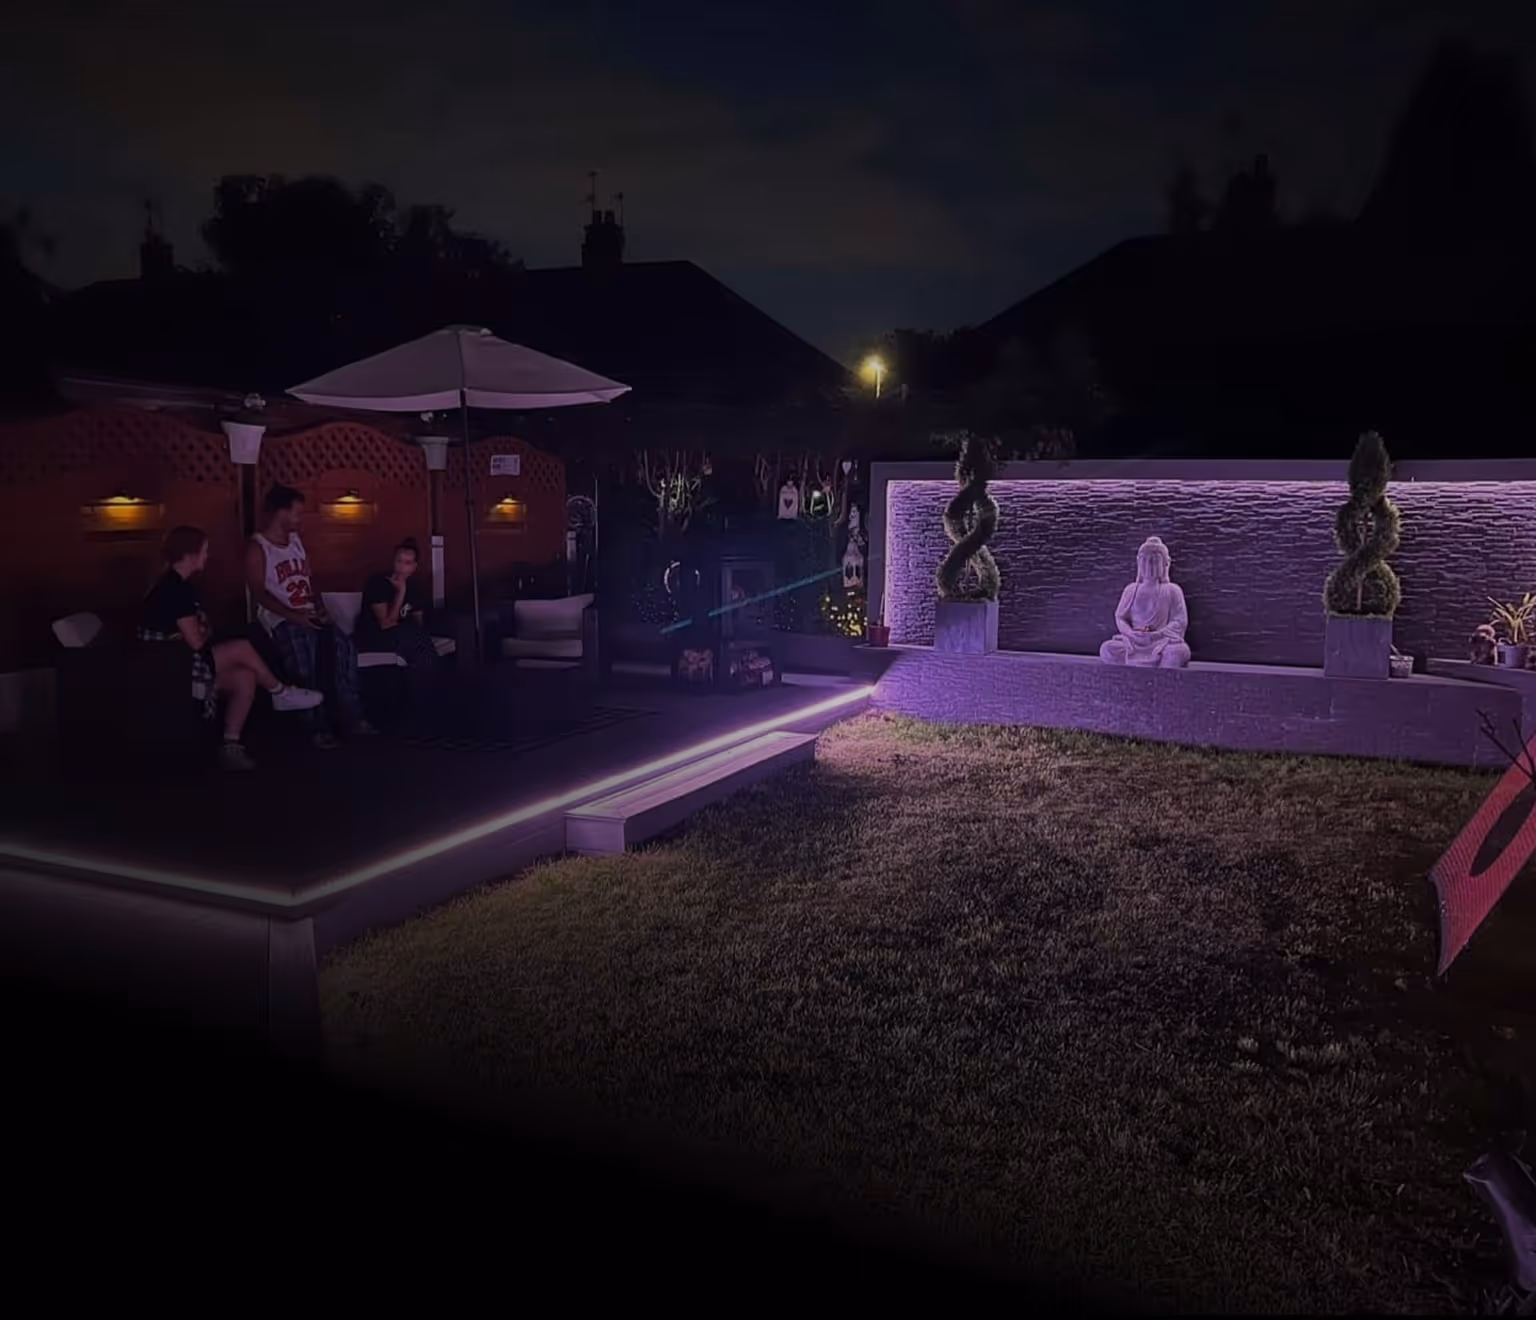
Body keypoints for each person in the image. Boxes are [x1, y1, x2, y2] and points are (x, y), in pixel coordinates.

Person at [140, 525, 323, 771]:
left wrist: (204, 629)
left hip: (181, 659)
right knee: (241, 647)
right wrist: (203, 630)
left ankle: (230, 745)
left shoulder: (182, 586)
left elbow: (203, 630)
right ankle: (280, 692)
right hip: (172, 668)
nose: (207, 556)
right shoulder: (175, 589)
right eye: (204, 551)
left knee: (245, 677)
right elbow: (196, 640)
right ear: (191, 554)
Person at [247, 484, 376, 749]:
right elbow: (259, 594)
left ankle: (353, 716)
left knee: (345, 650)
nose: (299, 518)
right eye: (296, 513)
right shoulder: (257, 547)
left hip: (309, 614)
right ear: (280, 512)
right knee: (303, 664)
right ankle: (316, 728)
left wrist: (319, 606)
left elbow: (308, 580)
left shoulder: (295, 541)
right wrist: (294, 616)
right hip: (282, 619)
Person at [356, 538, 443, 669]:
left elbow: (418, 623)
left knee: (419, 639)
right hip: (374, 636)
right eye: (399, 561)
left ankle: (430, 682)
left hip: (403, 636)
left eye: (407, 563)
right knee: (413, 638)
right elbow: (386, 624)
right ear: (393, 562)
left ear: (414, 567)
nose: (401, 567)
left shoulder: (416, 588)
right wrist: (401, 592)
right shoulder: (378, 583)